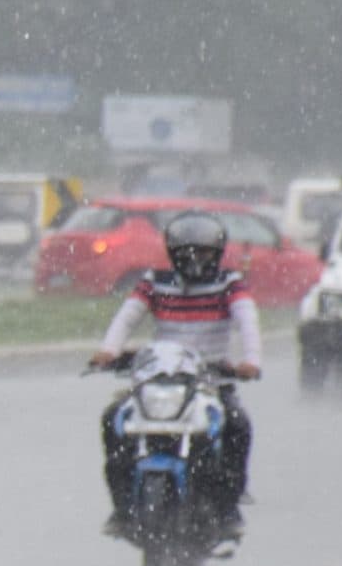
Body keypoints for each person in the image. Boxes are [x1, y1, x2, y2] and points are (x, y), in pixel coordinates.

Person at [88, 210, 261, 538]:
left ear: (218, 252)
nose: (196, 260)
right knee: (113, 420)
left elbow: (247, 320)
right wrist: (109, 351)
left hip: (211, 384)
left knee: (238, 425)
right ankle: (122, 508)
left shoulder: (230, 283)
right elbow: (127, 317)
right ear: (174, 253)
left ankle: (229, 509)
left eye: (204, 252)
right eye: (188, 253)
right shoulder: (155, 282)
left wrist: (250, 361)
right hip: (158, 381)